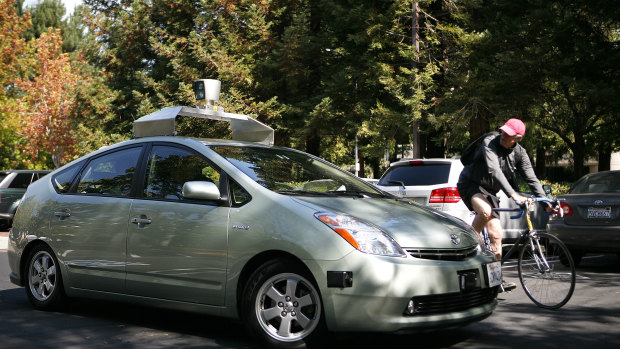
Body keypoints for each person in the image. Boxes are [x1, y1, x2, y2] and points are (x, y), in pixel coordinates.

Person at [457, 118, 553, 291]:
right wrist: (513, 194)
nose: (503, 135)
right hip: (470, 184)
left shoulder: (520, 154)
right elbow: (494, 170)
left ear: (516, 138)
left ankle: (495, 281)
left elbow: (531, 179)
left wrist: (545, 203)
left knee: (496, 235)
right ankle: (469, 244)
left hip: (489, 191)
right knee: (485, 211)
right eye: (503, 131)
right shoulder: (490, 142)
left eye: (507, 134)